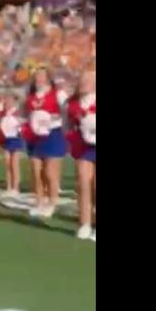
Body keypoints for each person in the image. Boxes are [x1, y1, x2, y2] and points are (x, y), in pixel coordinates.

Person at [22, 67, 68, 220]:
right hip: (34, 136)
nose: (38, 79)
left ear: (48, 78)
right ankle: (39, 202)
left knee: (50, 171)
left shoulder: (58, 94)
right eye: (36, 76)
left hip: (53, 134)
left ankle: (52, 202)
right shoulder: (30, 97)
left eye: (42, 76)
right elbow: (25, 115)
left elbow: (67, 112)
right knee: (36, 171)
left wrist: (51, 120)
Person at [66, 69, 95, 241]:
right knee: (83, 183)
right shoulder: (72, 104)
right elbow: (66, 127)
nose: (83, 83)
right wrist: (74, 139)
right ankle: (85, 223)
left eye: (88, 80)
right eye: (82, 79)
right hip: (84, 147)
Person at [0, 89, 29, 209]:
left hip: (15, 138)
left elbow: (24, 122)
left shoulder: (18, 111)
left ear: (14, 100)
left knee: (14, 163)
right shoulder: (3, 112)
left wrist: (20, 126)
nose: (7, 101)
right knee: (7, 163)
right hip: (6, 139)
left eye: (9, 99)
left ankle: (15, 187)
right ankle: (8, 186)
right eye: (6, 99)